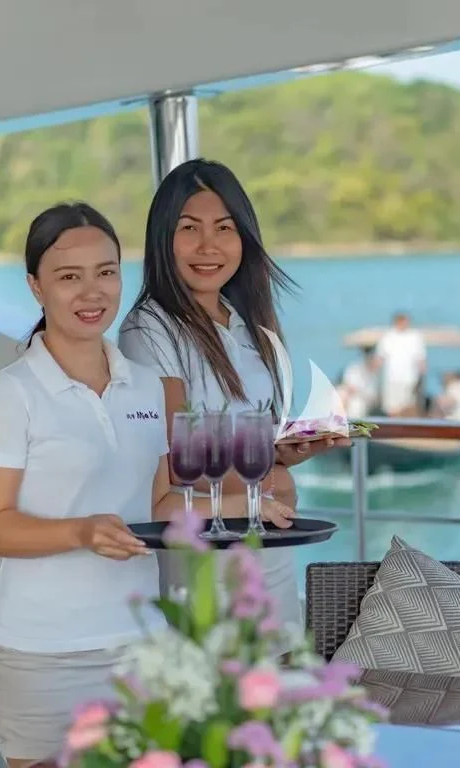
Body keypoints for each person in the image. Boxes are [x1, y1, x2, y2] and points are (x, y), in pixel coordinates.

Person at [0, 202, 235, 767]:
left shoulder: (147, 388)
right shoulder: (9, 395)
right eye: (69, 276)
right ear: (36, 287)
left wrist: (242, 505)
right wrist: (82, 532)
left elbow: (158, 503)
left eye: (106, 272)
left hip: (140, 640)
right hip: (43, 652)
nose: (92, 292)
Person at [118, 158, 346, 652]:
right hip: (205, 565)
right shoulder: (149, 330)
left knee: (277, 709)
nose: (208, 246)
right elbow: (181, 457)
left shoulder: (245, 321)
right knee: (215, 714)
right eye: (189, 229)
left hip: (269, 553)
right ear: (163, 238)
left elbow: (247, 437)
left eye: (224, 228)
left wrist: (287, 453)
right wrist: (269, 472)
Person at [374, 311, 427, 416]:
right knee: (391, 407)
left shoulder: (414, 337)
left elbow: (421, 358)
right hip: (392, 378)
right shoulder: (388, 336)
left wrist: (422, 376)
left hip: (409, 378)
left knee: (407, 405)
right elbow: (380, 357)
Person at [337, 345, 381, 418]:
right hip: (355, 398)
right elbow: (349, 386)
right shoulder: (355, 368)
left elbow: (374, 397)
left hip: (365, 402)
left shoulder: (377, 375)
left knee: (357, 405)